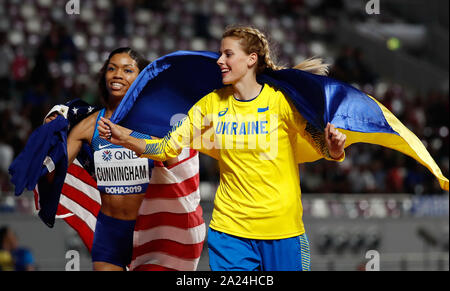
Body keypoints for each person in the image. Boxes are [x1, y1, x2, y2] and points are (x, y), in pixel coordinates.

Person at [97, 25, 347, 271]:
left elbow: (321, 146)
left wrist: (334, 149)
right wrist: (125, 138)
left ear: (251, 59)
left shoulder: (280, 101)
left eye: (228, 54)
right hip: (230, 232)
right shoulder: (211, 104)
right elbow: (167, 148)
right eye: (220, 54)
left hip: (283, 231)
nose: (219, 61)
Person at [45, 47, 188, 271]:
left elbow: (179, 169)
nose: (117, 74)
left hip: (150, 231)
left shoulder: (158, 124)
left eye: (127, 70)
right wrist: (51, 138)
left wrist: (133, 138)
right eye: (112, 68)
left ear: (141, 79)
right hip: (109, 231)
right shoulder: (89, 125)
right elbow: (54, 175)